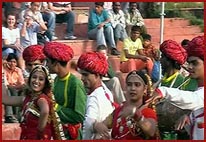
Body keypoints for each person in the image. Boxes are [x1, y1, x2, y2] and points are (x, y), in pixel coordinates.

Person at [147, 36, 204, 140]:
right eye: (189, 62)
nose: (190, 67)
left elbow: (194, 99)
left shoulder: (188, 85)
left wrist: (163, 91)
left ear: (170, 60)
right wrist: (188, 119)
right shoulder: (159, 82)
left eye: (194, 63)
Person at [93, 70, 158, 140]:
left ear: (145, 89)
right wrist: (97, 125)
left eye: (137, 85)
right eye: (129, 84)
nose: (133, 88)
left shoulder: (148, 111)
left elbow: (151, 131)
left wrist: (136, 114)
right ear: (126, 87)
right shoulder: (118, 111)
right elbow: (102, 124)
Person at [2, 65, 63, 140]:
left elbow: (45, 111)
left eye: (41, 79)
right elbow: (5, 99)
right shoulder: (28, 98)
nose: (36, 81)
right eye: (34, 77)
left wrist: (40, 130)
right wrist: (2, 80)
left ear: (45, 83)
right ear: (30, 79)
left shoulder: (41, 99)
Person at [43, 41, 87, 140]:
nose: (46, 65)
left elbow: (80, 116)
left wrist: (55, 106)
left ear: (55, 63)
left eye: (48, 62)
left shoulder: (75, 83)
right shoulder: (56, 80)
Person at [77, 51, 115, 139]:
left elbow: (88, 123)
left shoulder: (94, 97)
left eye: (85, 75)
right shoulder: (105, 90)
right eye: (82, 75)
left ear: (97, 75)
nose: (82, 78)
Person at [3, 53, 25, 123]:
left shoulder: (18, 70)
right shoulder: (4, 70)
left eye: (14, 62)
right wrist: (14, 87)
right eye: (10, 61)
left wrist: (16, 87)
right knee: (9, 91)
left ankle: (19, 115)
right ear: (7, 62)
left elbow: (21, 83)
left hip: (17, 89)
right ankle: (9, 116)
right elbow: (6, 84)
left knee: (23, 91)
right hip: (8, 89)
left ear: (16, 63)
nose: (12, 64)